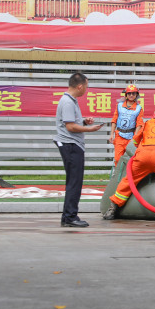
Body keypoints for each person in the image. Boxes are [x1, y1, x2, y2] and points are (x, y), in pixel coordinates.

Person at [54, 73, 103, 227]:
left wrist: (83, 121)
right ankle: (70, 217)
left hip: (72, 144)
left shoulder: (69, 101)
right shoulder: (68, 102)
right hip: (71, 145)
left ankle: (67, 215)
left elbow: (70, 122)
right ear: (80, 86)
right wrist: (90, 129)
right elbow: (70, 127)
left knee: (73, 182)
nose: (86, 90)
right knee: (75, 182)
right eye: (86, 87)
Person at [108, 84, 144, 166]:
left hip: (131, 137)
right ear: (126, 95)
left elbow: (139, 124)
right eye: (129, 93)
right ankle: (118, 177)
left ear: (136, 95)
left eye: (133, 93)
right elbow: (114, 120)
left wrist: (134, 138)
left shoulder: (139, 108)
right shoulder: (119, 106)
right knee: (118, 159)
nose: (131, 95)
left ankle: (129, 177)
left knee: (132, 159)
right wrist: (111, 134)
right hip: (119, 136)